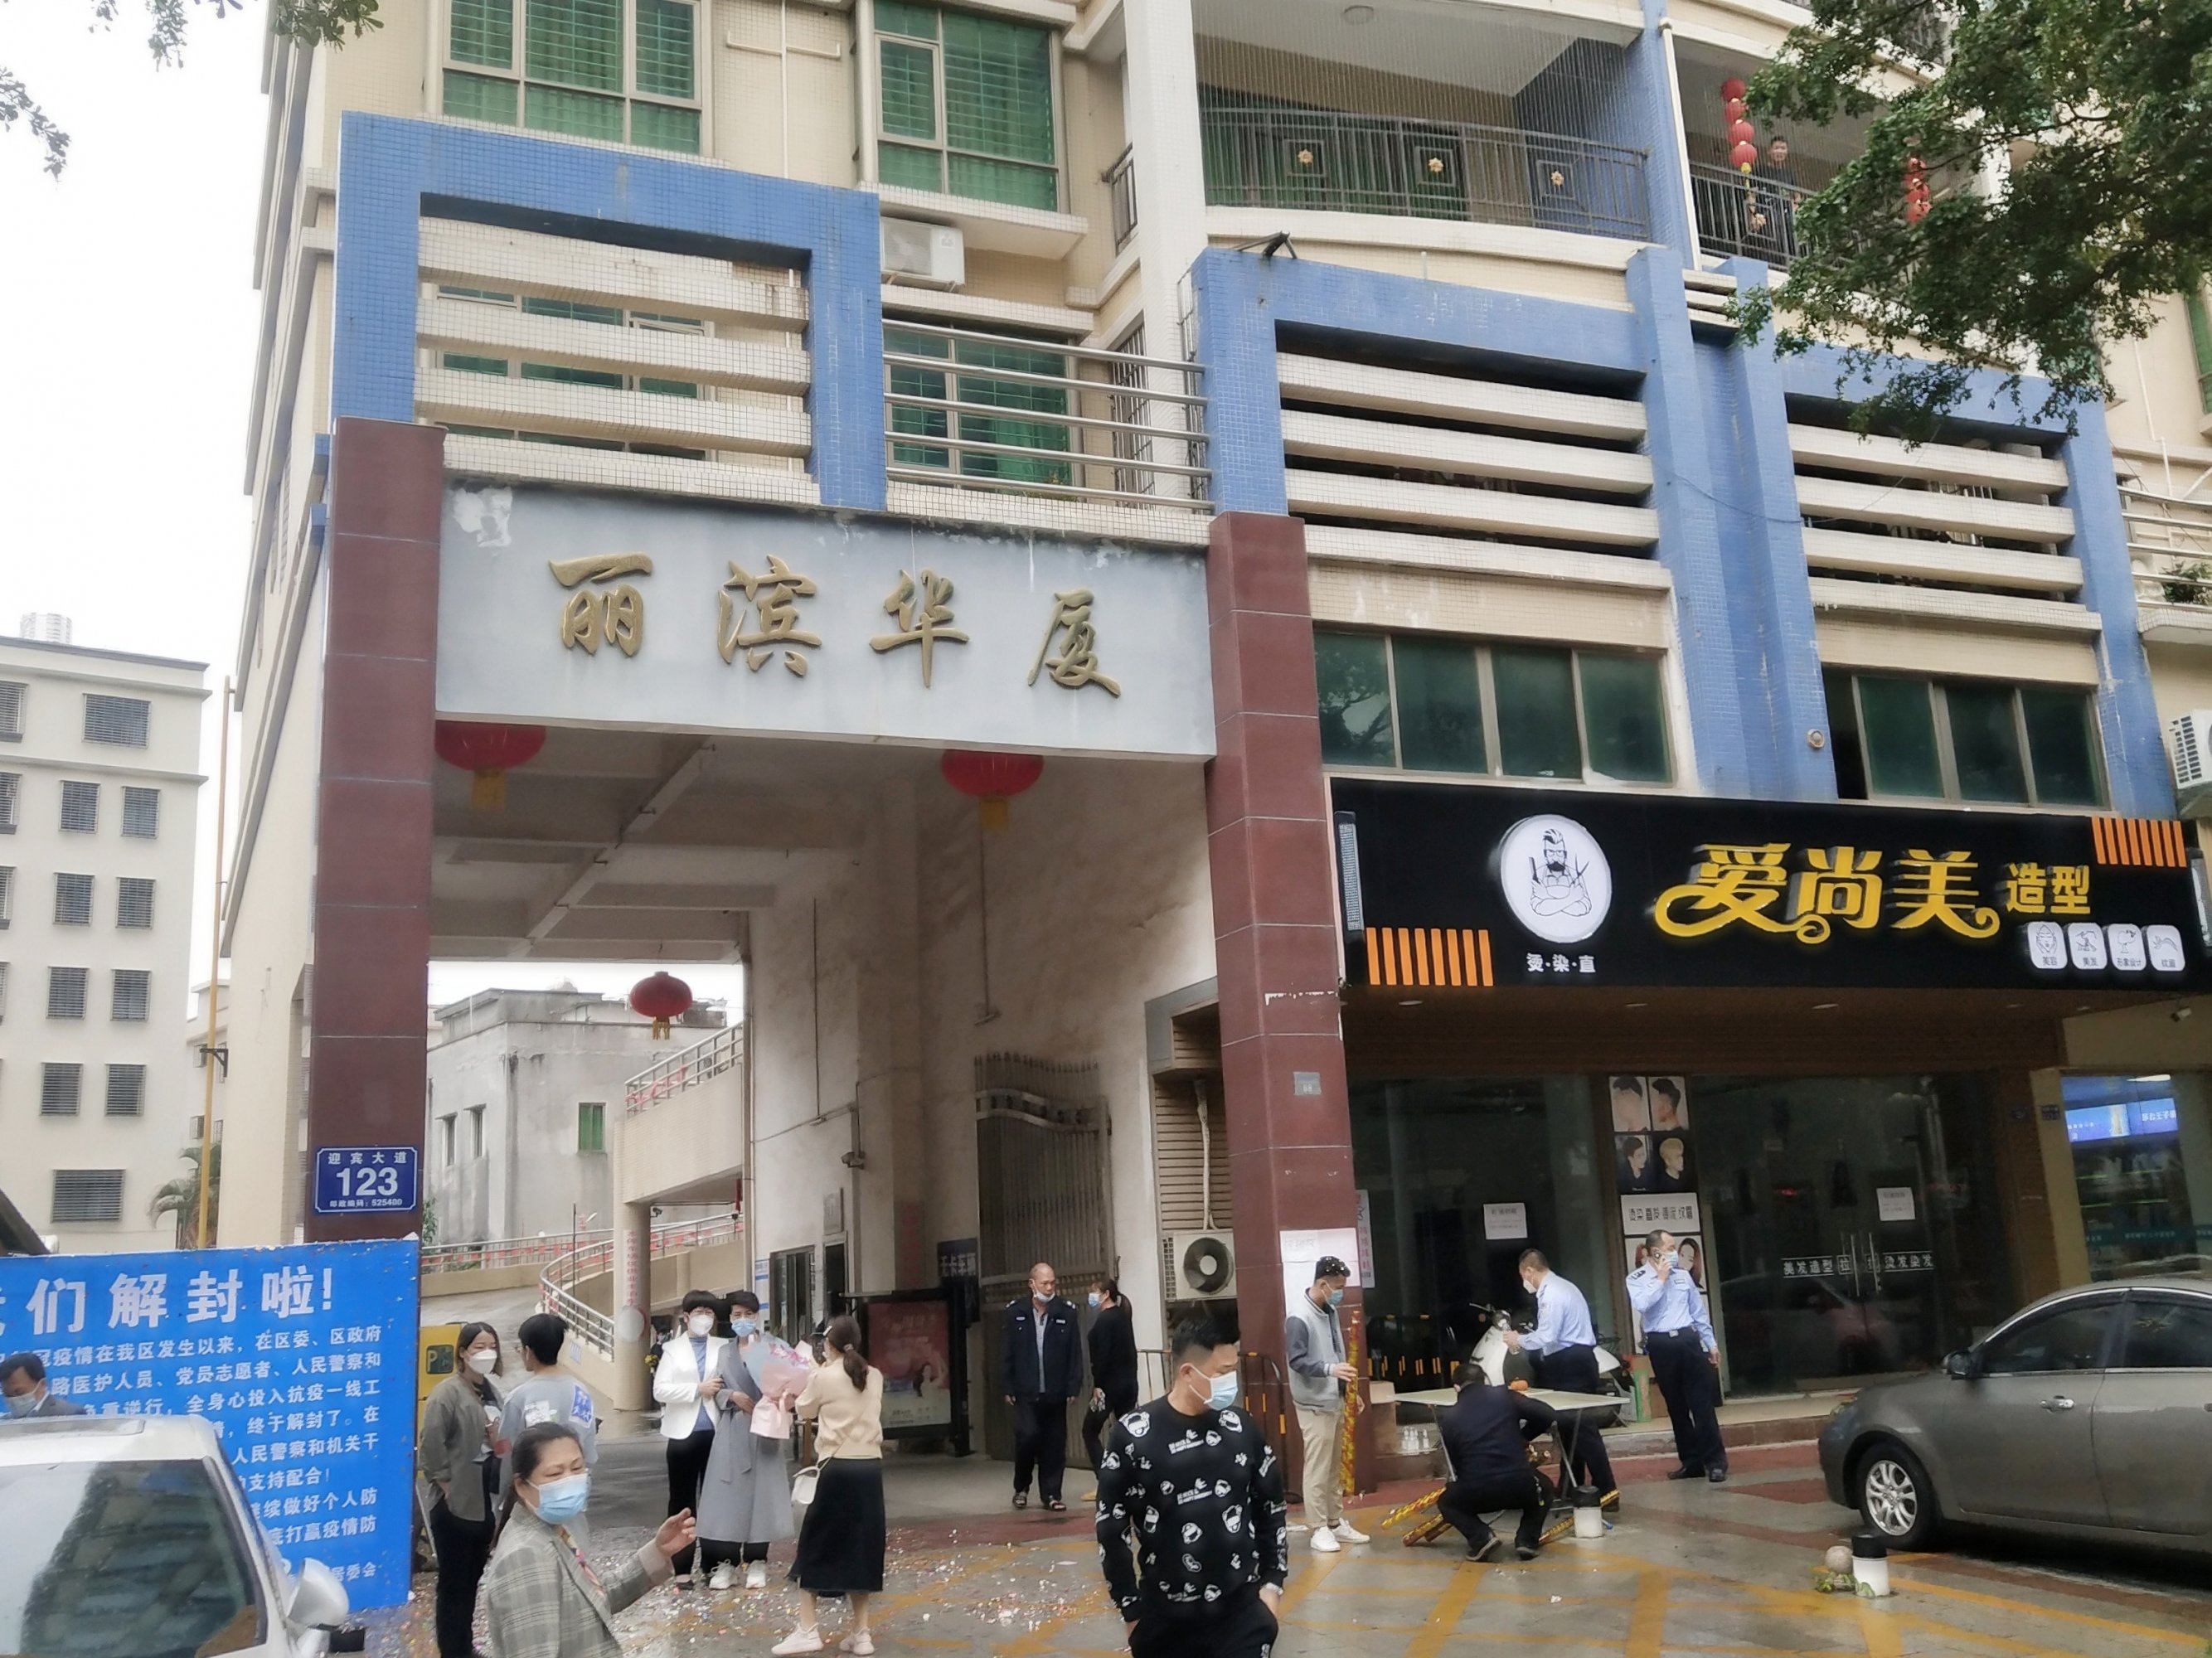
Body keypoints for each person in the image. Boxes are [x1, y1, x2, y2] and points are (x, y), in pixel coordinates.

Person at [1095, 1315, 1288, 1658]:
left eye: (1233, 1371)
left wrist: (1272, 1584)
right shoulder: (1135, 1436)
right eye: (1222, 1373)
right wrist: (1131, 1610)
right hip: (1166, 1622)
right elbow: (1111, 1529)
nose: (1231, 1382)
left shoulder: (1240, 1428)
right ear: (1188, 1373)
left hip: (1241, 1616)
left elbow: (1270, 1507)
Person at [483, 1422, 695, 1658]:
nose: (570, 1480)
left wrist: (658, 1551)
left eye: (577, 1468)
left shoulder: (550, 1530)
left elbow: (595, 1597)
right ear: (522, 1486)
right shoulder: (526, 1556)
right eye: (555, 1474)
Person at [775, 1316, 885, 1656]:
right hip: (870, 1470)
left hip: (836, 1470)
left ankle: (808, 1629)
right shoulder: (874, 1375)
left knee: (815, 1545)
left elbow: (804, 1408)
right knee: (862, 1548)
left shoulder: (823, 1377)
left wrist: (810, 1376)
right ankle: (861, 1634)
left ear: (828, 1345)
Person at [697, 1290, 803, 1592]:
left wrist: (781, 1398)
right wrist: (732, 1396)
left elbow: (795, 1384)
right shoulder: (724, 1352)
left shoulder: (775, 1347)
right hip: (733, 1430)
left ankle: (757, 1561)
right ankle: (727, 1563)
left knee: (762, 1496)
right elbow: (715, 1389)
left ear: (757, 1317)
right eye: (737, 1315)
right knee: (727, 1497)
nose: (742, 1320)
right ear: (730, 1319)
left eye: (748, 1314)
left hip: (764, 1429)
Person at [1500, 1251, 1618, 1509]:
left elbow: (1548, 1336)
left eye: (1523, 1276)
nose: (1524, 1282)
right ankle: (1570, 1486)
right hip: (1572, 1361)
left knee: (1582, 1428)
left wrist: (1518, 1339)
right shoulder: (1565, 1287)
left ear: (1530, 1271)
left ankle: (1608, 1491)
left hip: (1571, 1363)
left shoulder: (1551, 1294)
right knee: (1568, 1430)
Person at [419, 1321, 507, 1658]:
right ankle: (451, 1650)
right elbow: (431, 1442)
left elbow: (504, 1444)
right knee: (453, 1583)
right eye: (479, 1347)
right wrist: (445, 1483)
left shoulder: (493, 1393)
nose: (486, 1353)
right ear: (463, 1352)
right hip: (455, 1502)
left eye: (491, 1347)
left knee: (471, 1580)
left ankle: (464, 1646)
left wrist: (498, 1440)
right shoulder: (447, 1393)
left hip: (485, 1500)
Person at [1627, 1228, 1726, 1483]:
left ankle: (1715, 1462)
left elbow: (1698, 1313)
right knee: (1676, 1406)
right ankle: (1691, 1462)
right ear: (1654, 1252)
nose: (1674, 1253)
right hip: (1661, 1344)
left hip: (1687, 1341)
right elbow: (1641, 1304)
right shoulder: (1637, 1278)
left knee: (1702, 1404)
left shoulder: (1683, 1276)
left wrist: (1711, 1344)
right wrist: (1660, 1279)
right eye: (1670, 1248)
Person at [1284, 1255, 1368, 1553]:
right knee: (1318, 1469)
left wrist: (1349, 1391)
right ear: (1322, 1284)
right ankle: (1318, 1527)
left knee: (1335, 1468)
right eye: (1338, 1287)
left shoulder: (1329, 1311)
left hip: (1335, 1399)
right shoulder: (1299, 1317)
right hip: (1314, 1404)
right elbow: (1296, 1360)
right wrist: (1330, 1371)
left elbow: (1337, 1354)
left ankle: (1334, 1521)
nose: (1340, 1292)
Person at [1435, 1360, 1557, 1561]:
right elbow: (1547, 1413)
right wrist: (1524, 1436)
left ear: (1456, 1388)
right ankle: (1527, 1541)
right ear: (1485, 1380)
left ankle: (1481, 1538)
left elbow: (1456, 1463)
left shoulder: (1449, 1418)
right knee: (1545, 1488)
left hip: (1477, 1492)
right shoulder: (1506, 1397)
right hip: (1520, 1487)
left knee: (1447, 1502)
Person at [652, 1290, 728, 1587]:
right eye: (698, 1312)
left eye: (709, 1313)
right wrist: (697, 1389)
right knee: (682, 1502)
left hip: (716, 1433)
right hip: (682, 1436)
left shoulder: (723, 1347)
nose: (704, 1318)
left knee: (715, 1501)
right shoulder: (672, 1349)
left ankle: (713, 1565)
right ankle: (682, 1566)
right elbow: (660, 1390)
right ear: (686, 1317)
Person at [497, 1314, 599, 1531]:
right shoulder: (581, 1392)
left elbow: (507, 1455)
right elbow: (590, 1451)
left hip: (535, 1499)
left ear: (528, 1351)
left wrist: (501, 1503)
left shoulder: (519, 1398)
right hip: (574, 1495)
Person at [999, 1261, 1084, 1512]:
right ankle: (1021, 1487)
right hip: (1025, 1390)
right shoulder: (1015, 1312)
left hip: (1055, 1390)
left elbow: (1075, 1353)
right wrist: (1007, 1385)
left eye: (1052, 1283)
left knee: (1054, 1443)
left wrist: (1073, 1386)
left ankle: (1052, 1494)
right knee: (1027, 1437)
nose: (1049, 1288)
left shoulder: (1066, 1312)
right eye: (1044, 1283)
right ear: (1032, 1284)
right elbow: (1007, 1352)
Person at [1080, 1276, 1138, 1500]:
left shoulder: (1105, 1320)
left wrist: (1098, 1384)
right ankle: (1132, 1480)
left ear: (1105, 1295)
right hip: (1128, 1385)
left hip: (1109, 1387)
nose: (1092, 1296)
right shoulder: (1123, 1317)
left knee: (1089, 1430)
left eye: (1095, 1292)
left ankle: (1105, 1481)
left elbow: (1103, 1355)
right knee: (1126, 1432)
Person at [1749, 136, 1800, 261]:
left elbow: (1797, 196)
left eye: (1783, 148)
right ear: (1769, 151)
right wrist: (1753, 215)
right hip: (1765, 214)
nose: (1780, 151)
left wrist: (1794, 211)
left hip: (1785, 216)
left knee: (1788, 244)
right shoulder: (1760, 170)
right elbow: (1752, 194)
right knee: (1770, 245)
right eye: (1776, 148)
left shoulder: (1789, 174)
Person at [1, 1352, 85, 1417]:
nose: (13, 1399)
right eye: (8, 1395)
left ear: (42, 1385)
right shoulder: (5, 1423)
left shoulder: (69, 1414)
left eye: (20, 1392)